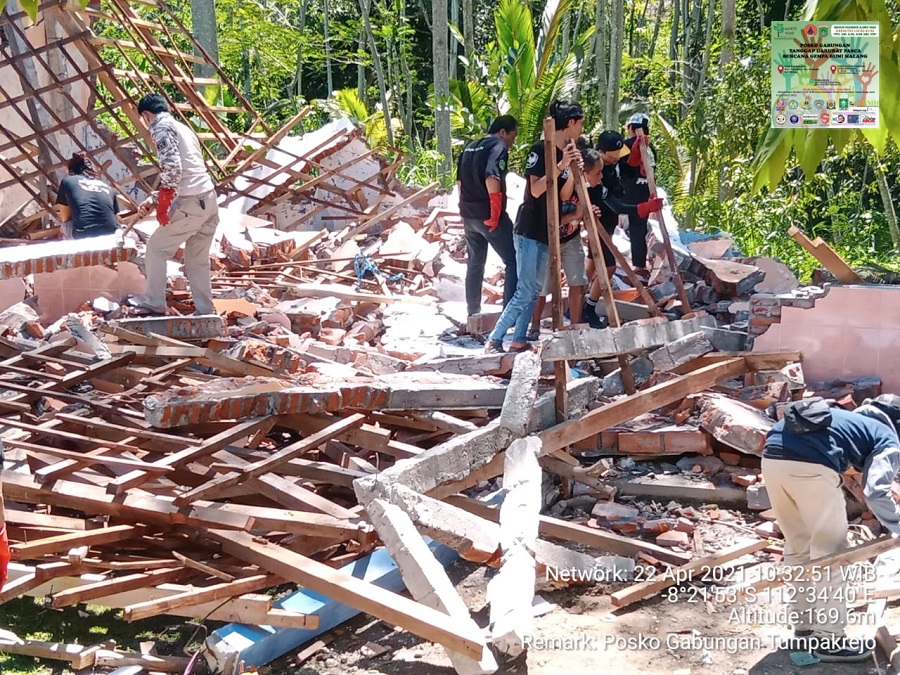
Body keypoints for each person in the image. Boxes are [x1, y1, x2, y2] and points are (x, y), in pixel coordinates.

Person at [761, 398, 900, 662]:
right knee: (831, 555)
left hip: (772, 458)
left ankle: (804, 627)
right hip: (812, 465)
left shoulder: (848, 420)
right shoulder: (886, 438)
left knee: (798, 545)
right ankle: (830, 640)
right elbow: (876, 491)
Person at [484, 100, 583, 354]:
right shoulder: (539, 150)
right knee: (525, 289)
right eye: (580, 123)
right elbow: (536, 189)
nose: (582, 129)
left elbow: (563, 196)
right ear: (570, 123)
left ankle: (518, 339)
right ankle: (495, 339)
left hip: (547, 230)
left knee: (533, 290)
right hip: (529, 229)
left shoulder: (566, 153)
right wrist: (560, 166)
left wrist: (572, 171)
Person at [134, 93, 218, 316]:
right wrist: (155, 198)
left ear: (146, 115)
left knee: (155, 249)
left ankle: (154, 303)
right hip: (208, 198)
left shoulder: (160, 127)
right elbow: (187, 170)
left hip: (190, 201)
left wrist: (162, 203)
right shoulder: (184, 129)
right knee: (197, 260)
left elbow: (173, 168)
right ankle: (205, 311)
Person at [580, 133, 662, 329]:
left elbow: (623, 176)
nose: (618, 157)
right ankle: (588, 308)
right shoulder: (596, 177)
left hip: (606, 219)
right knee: (608, 267)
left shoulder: (603, 175)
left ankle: (579, 304)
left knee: (591, 263)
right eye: (597, 173)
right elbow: (613, 204)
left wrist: (635, 153)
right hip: (598, 222)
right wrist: (643, 208)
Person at [456, 116, 519, 318]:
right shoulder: (498, 146)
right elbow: (492, 176)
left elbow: (460, 183)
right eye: (513, 137)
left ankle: (472, 313)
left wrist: (463, 209)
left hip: (469, 215)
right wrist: (495, 212)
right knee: (513, 260)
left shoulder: (469, 147)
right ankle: (508, 314)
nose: (512, 143)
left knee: (475, 264)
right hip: (487, 214)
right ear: (503, 132)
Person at [619, 112, 654, 280]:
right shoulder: (651, 148)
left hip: (625, 193)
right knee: (638, 229)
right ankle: (640, 266)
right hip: (644, 193)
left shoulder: (625, 146)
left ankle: (603, 261)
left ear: (630, 128)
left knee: (608, 222)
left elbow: (617, 166)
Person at [55, 153, 120, 239]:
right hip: (111, 233)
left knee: (65, 226)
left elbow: (65, 218)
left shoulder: (68, 181)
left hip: (83, 235)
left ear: (71, 170)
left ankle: (74, 250)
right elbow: (115, 219)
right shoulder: (107, 187)